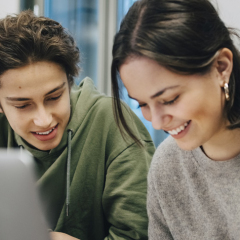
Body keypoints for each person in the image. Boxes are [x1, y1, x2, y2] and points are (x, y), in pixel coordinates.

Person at [0, 10, 155, 240]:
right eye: (23, 106)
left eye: (54, 97)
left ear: (69, 82)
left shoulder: (113, 124)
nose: (44, 120)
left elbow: (141, 235)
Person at [111, 0, 240, 239]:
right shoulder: (167, 165)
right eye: (142, 104)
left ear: (221, 67)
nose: (157, 123)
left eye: (170, 99)